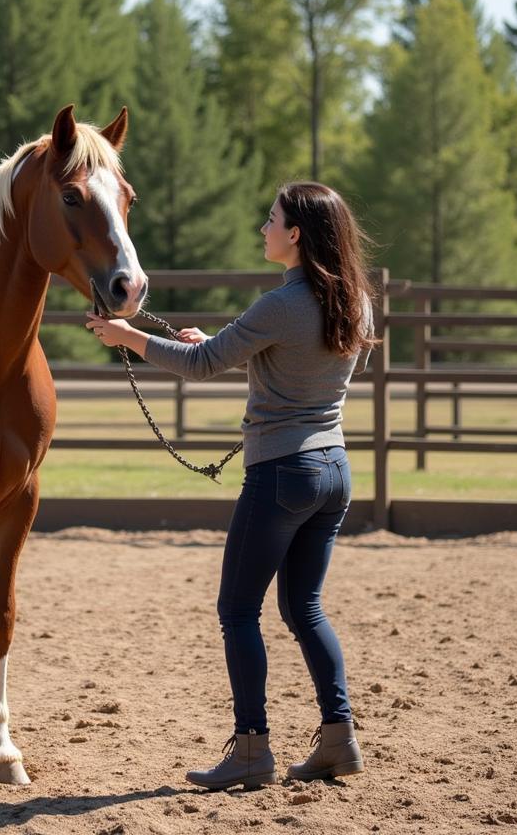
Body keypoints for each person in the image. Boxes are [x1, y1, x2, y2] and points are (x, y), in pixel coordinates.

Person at [86, 181, 376, 791]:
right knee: (305, 608)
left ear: (295, 234)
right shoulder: (353, 302)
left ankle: (251, 747)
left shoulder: (281, 302)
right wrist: (210, 344)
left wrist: (127, 336)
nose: (263, 229)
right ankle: (339, 736)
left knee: (238, 610)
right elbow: (267, 355)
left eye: (271, 220)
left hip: (280, 472)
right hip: (333, 471)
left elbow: (202, 366)